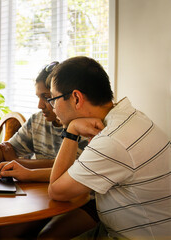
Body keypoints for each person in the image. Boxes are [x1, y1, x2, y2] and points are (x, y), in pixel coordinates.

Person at [0, 62, 97, 239]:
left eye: (46, 97)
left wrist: (20, 164)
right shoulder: (38, 121)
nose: (40, 105)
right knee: (6, 231)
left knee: (48, 237)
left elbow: (70, 170)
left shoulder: (84, 127)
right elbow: (5, 150)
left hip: (83, 200)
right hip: (44, 195)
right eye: (38, 97)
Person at [43, 56, 170, 239]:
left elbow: (56, 191)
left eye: (54, 99)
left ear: (76, 98)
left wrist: (71, 131)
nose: (53, 107)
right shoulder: (129, 116)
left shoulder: (113, 139)